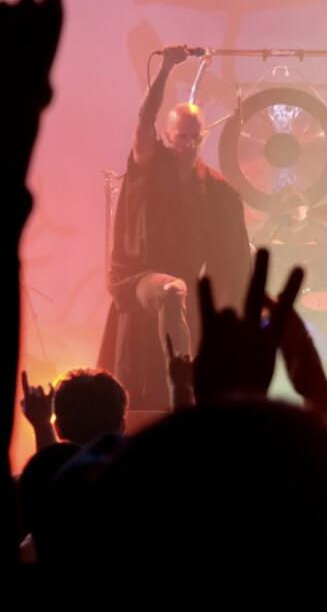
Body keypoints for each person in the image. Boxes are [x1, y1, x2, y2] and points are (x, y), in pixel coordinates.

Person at [97, 51, 251, 410]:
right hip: (138, 276)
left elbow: (232, 247)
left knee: (188, 293)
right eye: (182, 137)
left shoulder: (215, 186)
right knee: (172, 290)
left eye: (195, 137)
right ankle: (184, 387)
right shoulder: (150, 164)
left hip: (187, 285)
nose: (189, 144)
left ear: (204, 135)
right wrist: (166, 69)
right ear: (167, 136)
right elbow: (144, 120)